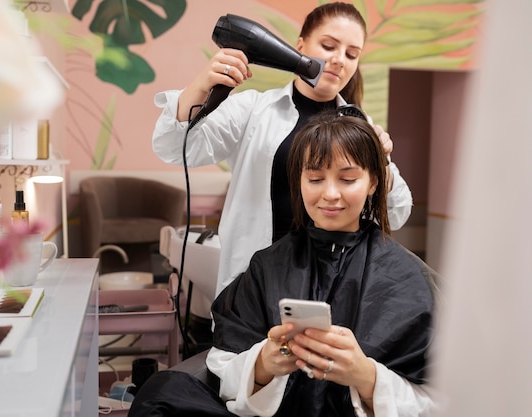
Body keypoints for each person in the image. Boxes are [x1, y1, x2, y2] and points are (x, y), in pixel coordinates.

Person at [129, 111, 438, 417]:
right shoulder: (267, 266)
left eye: (347, 179)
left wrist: (366, 377)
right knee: (160, 395)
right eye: (315, 178)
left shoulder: (410, 280)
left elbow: (444, 398)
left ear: (373, 182)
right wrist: (263, 364)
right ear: (299, 182)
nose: (330, 194)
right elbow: (223, 363)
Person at [151, 2, 413, 297]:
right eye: (329, 46)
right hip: (253, 283)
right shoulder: (254, 110)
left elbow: (397, 211)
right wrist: (201, 86)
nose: (340, 60)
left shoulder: (360, 127)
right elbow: (175, 148)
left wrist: (382, 163)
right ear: (301, 45)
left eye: (352, 54)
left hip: (329, 287)